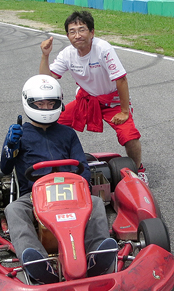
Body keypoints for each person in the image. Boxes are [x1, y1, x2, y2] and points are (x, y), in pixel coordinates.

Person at [2, 75, 118, 284]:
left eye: (50, 103)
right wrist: (9, 147)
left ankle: (96, 253)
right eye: (40, 103)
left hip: (70, 190)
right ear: (29, 102)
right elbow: (5, 168)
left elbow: (81, 165)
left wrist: (83, 188)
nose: (45, 108)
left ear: (59, 103)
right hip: (34, 194)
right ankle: (36, 260)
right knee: (14, 209)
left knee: (97, 202)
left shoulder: (67, 133)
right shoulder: (20, 134)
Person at [39, 10, 148, 184]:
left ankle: (138, 169)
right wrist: (45, 55)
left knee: (130, 136)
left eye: (82, 30)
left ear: (92, 32)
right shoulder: (67, 54)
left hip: (112, 102)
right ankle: (59, 164)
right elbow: (46, 78)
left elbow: (121, 79)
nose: (77, 35)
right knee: (51, 122)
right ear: (67, 36)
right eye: (72, 31)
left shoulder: (103, 49)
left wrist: (125, 111)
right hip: (87, 100)